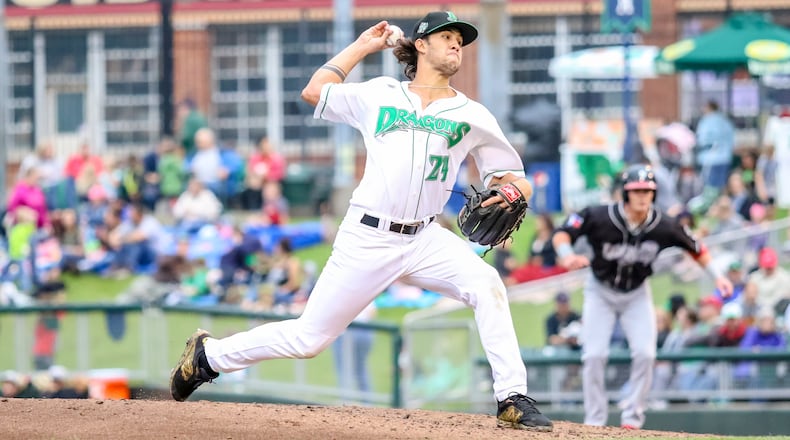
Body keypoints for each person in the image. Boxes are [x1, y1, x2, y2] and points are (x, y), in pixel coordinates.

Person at [170, 11, 553, 432]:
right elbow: (316, 91)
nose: (457, 44)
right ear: (421, 45)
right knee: (309, 339)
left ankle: (512, 398)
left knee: (487, 285)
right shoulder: (381, 94)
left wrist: (514, 191)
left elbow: (512, 176)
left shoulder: (473, 114)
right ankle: (208, 357)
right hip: (368, 236)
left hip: (426, 237)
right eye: (447, 36)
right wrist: (364, 46)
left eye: (461, 39)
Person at [552, 164, 733, 429]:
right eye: (636, 190)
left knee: (647, 354)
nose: (642, 196)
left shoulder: (664, 225)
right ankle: (594, 421)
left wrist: (718, 276)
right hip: (600, 290)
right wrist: (567, 254)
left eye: (647, 190)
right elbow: (562, 232)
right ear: (625, 193)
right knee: (593, 355)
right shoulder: (599, 216)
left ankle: (632, 419)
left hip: (637, 292)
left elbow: (696, 247)